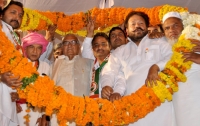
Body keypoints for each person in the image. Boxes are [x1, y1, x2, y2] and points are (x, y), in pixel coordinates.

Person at [100, 11, 175, 126]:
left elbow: (173, 56)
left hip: (161, 105)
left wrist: (155, 67)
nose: (137, 26)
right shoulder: (120, 52)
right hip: (133, 108)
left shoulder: (160, 41)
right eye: (133, 24)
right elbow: (111, 71)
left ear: (146, 27)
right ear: (127, 31)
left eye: (141, 23)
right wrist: (107, 85)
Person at [162, 11, 200, 126]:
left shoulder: (195, 40)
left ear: (183, 26)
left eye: (175, 25)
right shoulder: (166, 48)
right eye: (167, 28)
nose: (171, 30)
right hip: (180, 104)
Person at [50, 34, 93, 126]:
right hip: (59, 115)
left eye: (73, 42)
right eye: (66, 43)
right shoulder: (54, 65)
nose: (69, 45)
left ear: (79, 46)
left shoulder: (88, 63)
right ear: (62, 47)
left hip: (81, 114)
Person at [82, 18, 127, 101]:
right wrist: (90, 33)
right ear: (92, 48)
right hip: (91, 105)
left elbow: (120, 77)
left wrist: (117, 92)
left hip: (111, 102)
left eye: (103, 44)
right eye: (96, 45)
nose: (100, 47)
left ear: (110, 46)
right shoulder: (91, 62)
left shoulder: (115, 59)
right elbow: (85, 51)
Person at [16, 32, 50, 126]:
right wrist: (11, 104)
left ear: (42, 50)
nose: (35, 51)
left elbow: (48, 94)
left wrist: (44, 115)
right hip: (17, 111)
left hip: (37, 113)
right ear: (25, 48)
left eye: (38, 48)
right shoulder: (17, 65)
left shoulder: (46, 67)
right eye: (31, 47)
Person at [0, 1, 24, 125]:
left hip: (9, 98)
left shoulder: (14, 36)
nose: (17, 17)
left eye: (20, 15)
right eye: (13, 12)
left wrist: (17, 93)